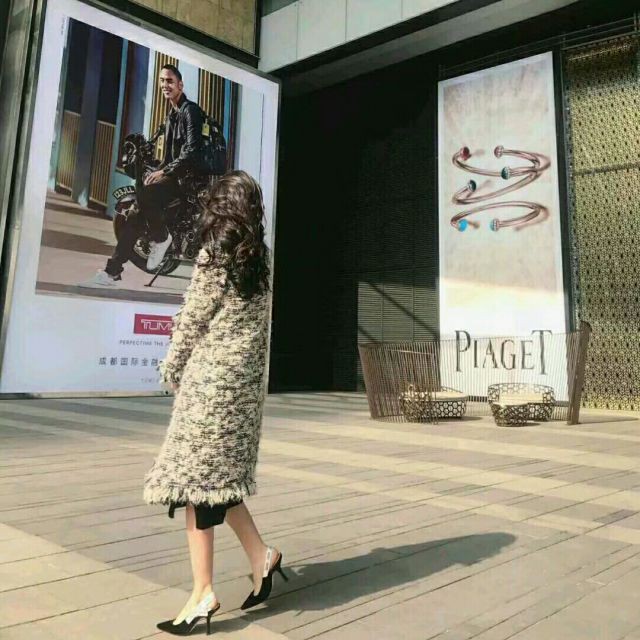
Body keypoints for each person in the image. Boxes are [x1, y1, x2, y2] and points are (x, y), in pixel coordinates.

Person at [143, 171, 287, 636]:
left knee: (194, 483)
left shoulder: (215, 253)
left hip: (211, 383)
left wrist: (172, 365)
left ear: (219, 207)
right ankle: (262, 556)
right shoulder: (259, 257)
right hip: (242, 388)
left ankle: (203, 592)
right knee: (217, 481)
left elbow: (193, 317)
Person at [81, 63, 207, 288]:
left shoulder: (190, 111)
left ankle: (161, 238)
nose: (165, 85)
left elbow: (192, 151)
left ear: (180, 85)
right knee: (136, 214)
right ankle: (111, 273)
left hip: (189, 181)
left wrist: (164, 172)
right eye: (162, 81)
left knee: (144, 196)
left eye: (170, 81)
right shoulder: (172, 115)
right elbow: (169, 156)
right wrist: (157, 168)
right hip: (175, 176)